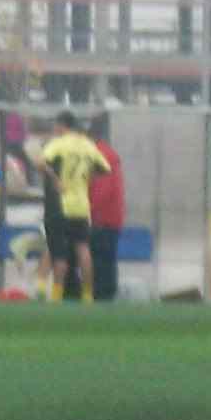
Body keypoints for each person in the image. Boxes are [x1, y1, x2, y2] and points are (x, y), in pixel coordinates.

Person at [35, 111, 105, 302]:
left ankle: (55, 296)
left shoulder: (59, 143)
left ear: (61, 125)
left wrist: (55, 179)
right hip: (82, 207)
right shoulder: (88, 145)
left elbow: (39, 162)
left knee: (58, 253)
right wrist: (85, 181)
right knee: (83, 249)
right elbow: (104, 169)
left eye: (55, 125)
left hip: (61, 206)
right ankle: (88, 295)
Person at [85, 127, 127, 306]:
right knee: (105, 260)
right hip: (109, 218)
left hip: (103, 219)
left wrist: (87, 211)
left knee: (102, 261)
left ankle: (103, 298)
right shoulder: (107, 155)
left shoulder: (101, 156)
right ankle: (103, 296)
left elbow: (102, 191)